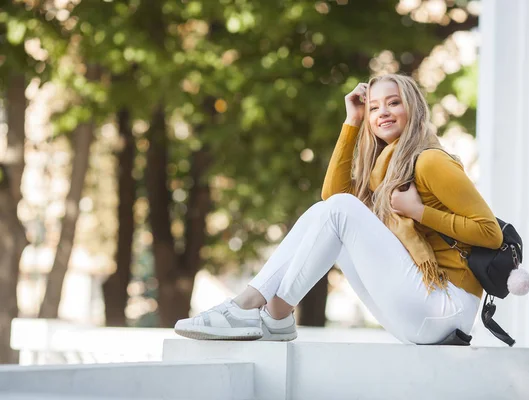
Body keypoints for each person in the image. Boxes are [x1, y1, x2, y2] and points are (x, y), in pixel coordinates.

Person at [174, 73, 503, 344]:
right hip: (420, 312)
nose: (383, 112)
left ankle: (258, 309)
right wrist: (352, 120)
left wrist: (419, 212)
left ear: (413, 108)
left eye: (393, 103)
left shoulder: (432, 160)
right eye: (374, 108)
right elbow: (331, 197)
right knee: (327, 212)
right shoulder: (387, 171)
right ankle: (273, 314)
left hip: (447, 309)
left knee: (340, 210)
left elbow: (490, 234)